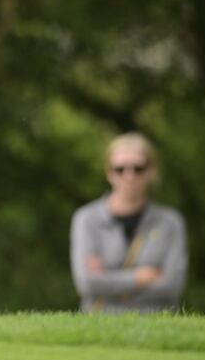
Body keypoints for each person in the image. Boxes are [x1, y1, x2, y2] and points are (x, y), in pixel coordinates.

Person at [69, 132, 188, 313]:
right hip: (100, 323)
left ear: (151, 171)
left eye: (138, 169)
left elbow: (172, 286)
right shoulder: (87, 219)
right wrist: (140, 277)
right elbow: (87, 284)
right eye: (120, 169)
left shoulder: (170, 222)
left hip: (157, 321)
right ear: (109, 173)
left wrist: (108, 282)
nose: (129, 176)